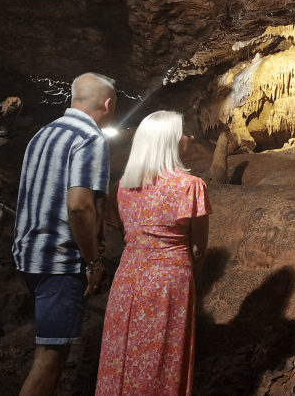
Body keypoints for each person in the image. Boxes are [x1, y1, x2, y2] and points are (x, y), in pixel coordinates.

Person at [13, 72, 117, 396]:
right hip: (59, 262)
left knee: (46, 348)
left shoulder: (43, 134)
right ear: (108, 104)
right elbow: (79, 207)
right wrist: (94, 263)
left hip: (28, 256)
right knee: (50, 358)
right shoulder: (90, 137)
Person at [96, 110, 212, 396]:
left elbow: (119, 230)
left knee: (121, 353)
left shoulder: (122, 187)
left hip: (127, 280)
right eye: (183, 131)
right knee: (163, 360)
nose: (191, 136)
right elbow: (198, 249)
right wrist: (185, 276)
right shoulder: (190, 186)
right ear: (169, 141)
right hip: (170, 281)